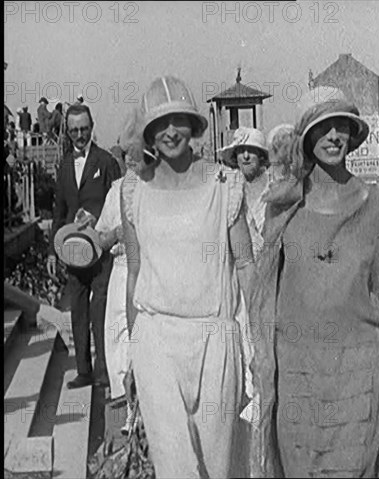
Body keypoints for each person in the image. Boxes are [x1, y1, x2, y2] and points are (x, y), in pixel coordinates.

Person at [246, 87, 379, 478]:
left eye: (340, 127)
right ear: (307, 138)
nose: (332, 137)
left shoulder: (376, 204)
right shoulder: (284, 204)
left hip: (359, 370)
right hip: (298, 371)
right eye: (322, 127)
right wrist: (260, 359)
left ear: (351, 133)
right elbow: (264, 294)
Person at [121, 76, 253, 478]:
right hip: (155, 339)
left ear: (194, 126)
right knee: (174, 465)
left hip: (215, 340)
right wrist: (132, 352)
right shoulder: (133, 190)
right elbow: (135, 273)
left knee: (218, 464)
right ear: (147, 132)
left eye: (178, 120)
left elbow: (246, 265)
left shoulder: (224, 185)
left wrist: (262, 343)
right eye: (160, 123)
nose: (170, 132)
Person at [46, 103, 122, 389]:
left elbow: (118, 203)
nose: (80, 134)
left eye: (84, 129)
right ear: (67, 131)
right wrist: (54, 250)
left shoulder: (106, 162)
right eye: (75, 130)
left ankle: (104, 373)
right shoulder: (65, 164)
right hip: (73, 252)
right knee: (77, 310)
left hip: (101, 252)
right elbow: (59, 209)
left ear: (92, 128)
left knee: (101, 310)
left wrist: (99, 219)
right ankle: (84, 370)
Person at [94, 109, 145, 433]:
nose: (131, 163)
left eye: (137, 157)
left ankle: (142, 410)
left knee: (142, 339)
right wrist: (116, 234)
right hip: (121, 270)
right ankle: (127, 412)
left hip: (147, 273)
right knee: (118, 339)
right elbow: (100, 238)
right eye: (127, 156)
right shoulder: (115, 191)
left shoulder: (156, 190)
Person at [221, 126, 269, 258]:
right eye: (241, 151)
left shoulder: (274, 185)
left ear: (261, 156)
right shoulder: (229, 188)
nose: (246, 156)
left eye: (251, 151)